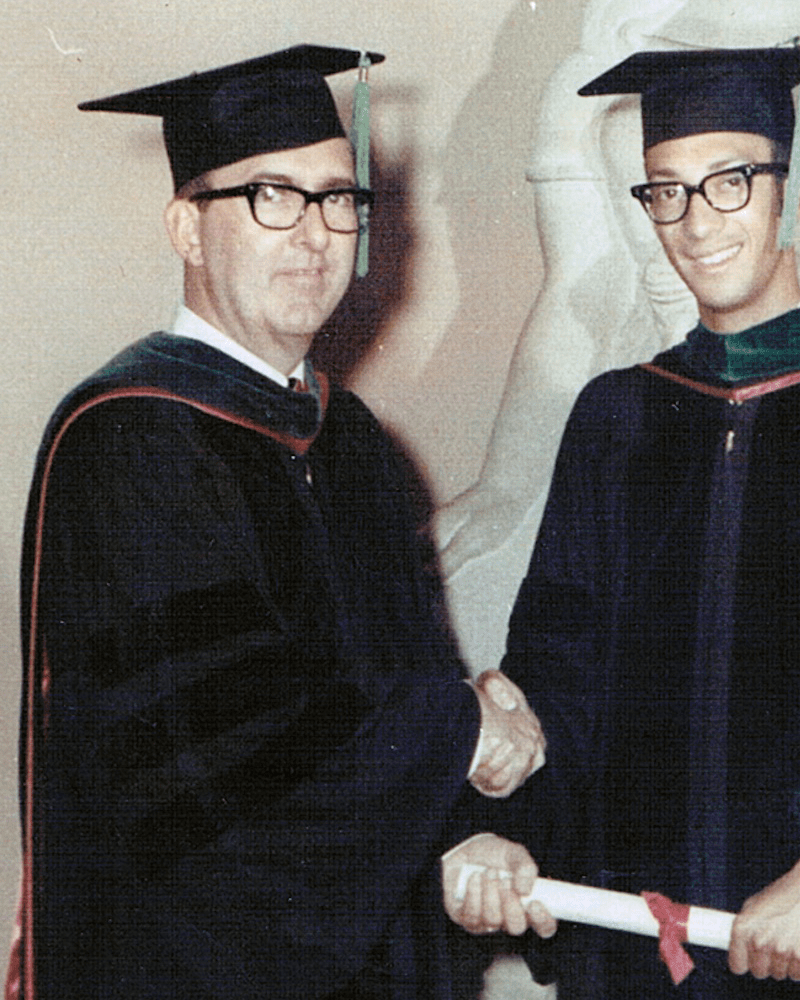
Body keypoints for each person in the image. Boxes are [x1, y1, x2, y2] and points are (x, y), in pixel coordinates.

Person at [443, 43, 800, 999]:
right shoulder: (617, 416)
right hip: (641, 925)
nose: (697, 222)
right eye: (667, 191)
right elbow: (557, 671)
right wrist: (495, 819)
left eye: (732, 182)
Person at [8, 44, 545, 1000]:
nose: (313, 235)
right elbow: (218, 757)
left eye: (338, 198)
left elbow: (404, 671)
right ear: (185, 225)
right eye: (269, 196)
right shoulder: (133, 438)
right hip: (189, 966)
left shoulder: (350, 440)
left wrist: (463, 821)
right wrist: (460, 729)